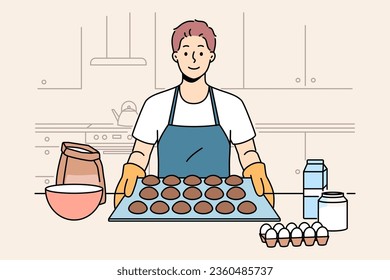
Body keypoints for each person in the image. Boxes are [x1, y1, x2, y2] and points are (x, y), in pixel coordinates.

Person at [114, 20, 274, 207]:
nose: (193, 59)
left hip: (220, 202)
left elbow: (247, 151)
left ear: (211, 56)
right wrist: (132, 169)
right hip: (166, 202)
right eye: (186, 52)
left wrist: (255, 168)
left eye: (200, 52)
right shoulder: (156, 105)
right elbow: (141, 152)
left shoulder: (231, 105)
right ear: (176, 56)